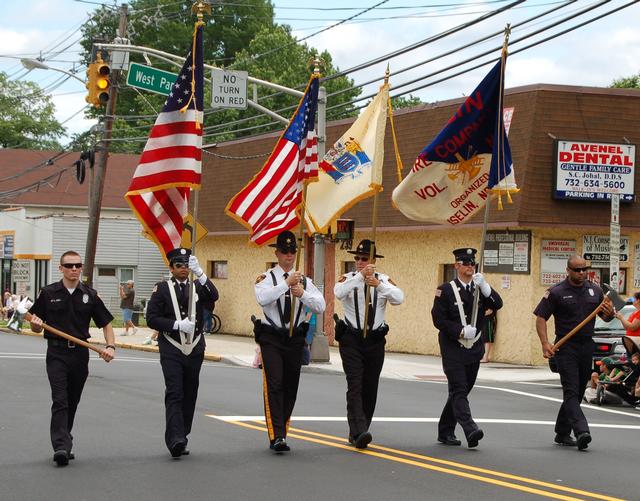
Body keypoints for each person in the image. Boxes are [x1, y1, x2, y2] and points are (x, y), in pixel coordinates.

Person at [27, 250, 116, 467]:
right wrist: (36, 325)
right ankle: (61, 446)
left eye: (77, 265)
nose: (74, 269)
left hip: (80, 353)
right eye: (69, 266)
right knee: (60, 399)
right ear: (61, 268)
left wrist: (110, 346)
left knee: (72, 399)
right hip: (56, 353)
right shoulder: (48, 293)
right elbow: (34, 322)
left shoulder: (90, 295)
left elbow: (106, 323)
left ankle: (65, 438)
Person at [253, 230, 325, 453]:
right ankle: (277, 436)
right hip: (272, 337)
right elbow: (262, 299)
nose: (289, 255)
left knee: (290, 387)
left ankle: (282, 429)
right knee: (275, 385)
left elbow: (320, 306)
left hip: (295, 338)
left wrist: (302, 293)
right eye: (284, 251)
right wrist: (286, 284)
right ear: (276, 253)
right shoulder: (266, 279)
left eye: (292, 251)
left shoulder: (304, 281)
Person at [534, 254, 613, 451]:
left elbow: (606, 316)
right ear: (568, 270)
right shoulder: (556, 292)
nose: (582, 273)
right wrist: (545, 343)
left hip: (586, 345)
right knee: (570, 390)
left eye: (584, 269)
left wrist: (609, 311)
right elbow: (541, 317)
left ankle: (562, 432)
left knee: (577, 391)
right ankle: (581, 431)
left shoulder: (594, 290)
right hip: (565, 346)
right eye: (577, 270)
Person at [146, 248, 219, 458]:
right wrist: (176, 324)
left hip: (195, 346)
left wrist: (202, 273)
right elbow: (152, 318)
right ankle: (175, 439)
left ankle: (183, 434)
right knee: (175, 391)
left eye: (187, 265)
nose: (184, 269)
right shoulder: (162, 289)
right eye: (179, 265)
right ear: (171, 267)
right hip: (172, 346)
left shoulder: (197, 287)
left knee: (190, 392)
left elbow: (214, 295)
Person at [334, 239, 404, 449]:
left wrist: (379, 285)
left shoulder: (383, 279)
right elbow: (338, 292)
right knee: (355, 384)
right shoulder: (348, 278)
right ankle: (359, 431)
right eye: (357, 258)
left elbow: (399, 298)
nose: (359, 262)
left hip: (374, 340)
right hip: (352, 339)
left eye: (364, 259)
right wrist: (360, 278)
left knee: (370, 386)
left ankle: (359, 429)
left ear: (373, 260)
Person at [431, 248, 503, 448]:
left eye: (472, 263)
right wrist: (460, 331)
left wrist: (486, 286)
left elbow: (498, 304)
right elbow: (438, 319)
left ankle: (445, 431)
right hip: (453, 346)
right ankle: (470, 429)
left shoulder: (479, 288)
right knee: (459, 388)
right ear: (456, 266)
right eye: (465, 263)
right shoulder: (445, 289)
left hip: (474, 348)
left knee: (461, 391)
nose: (470, 266)